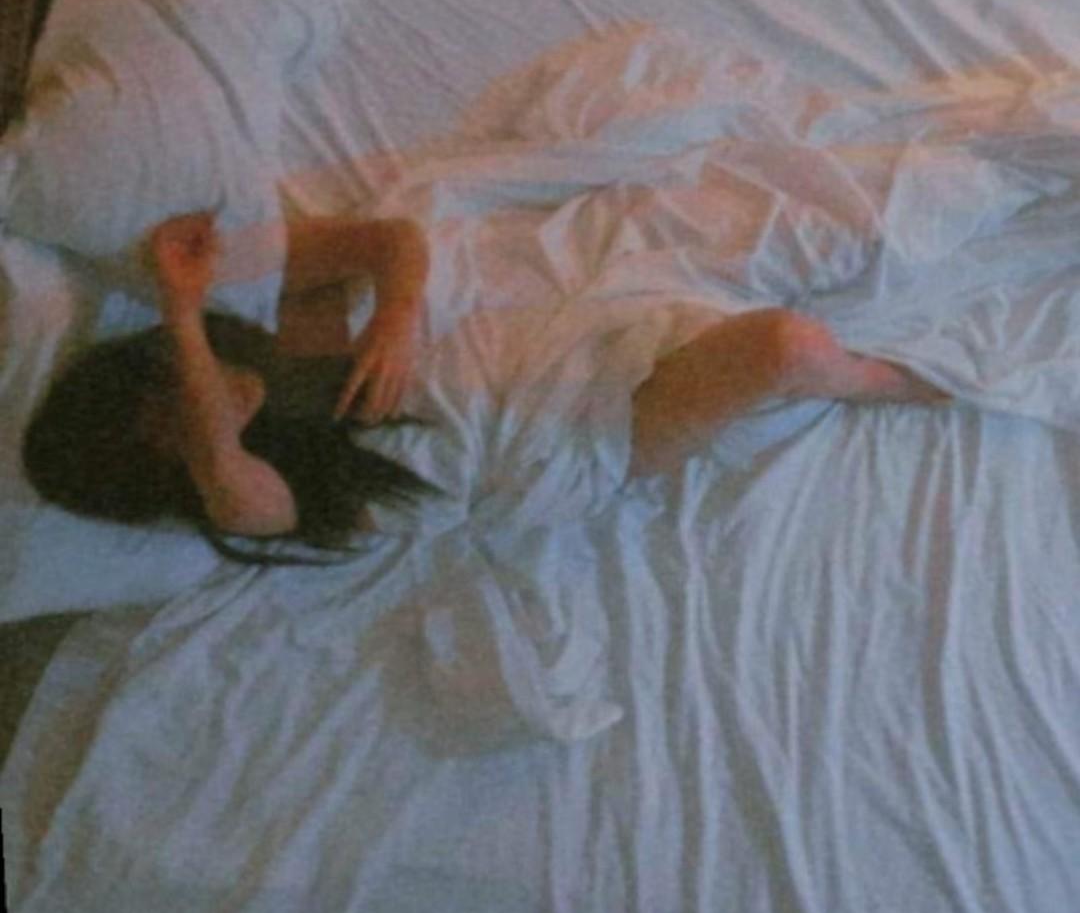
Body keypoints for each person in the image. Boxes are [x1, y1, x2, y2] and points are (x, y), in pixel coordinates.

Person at [22, 211, 946, 564]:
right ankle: (889, 381)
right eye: (173, 434)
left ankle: (869, 337)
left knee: (799, 260)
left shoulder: (287, 341)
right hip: (571, 449)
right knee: (785, 348)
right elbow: (222, 470)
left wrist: (395, 316)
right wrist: (181, 312)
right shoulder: (266, 500)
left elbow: (392, 240)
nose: (202, 410)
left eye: (169, 393)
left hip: (549, 350)